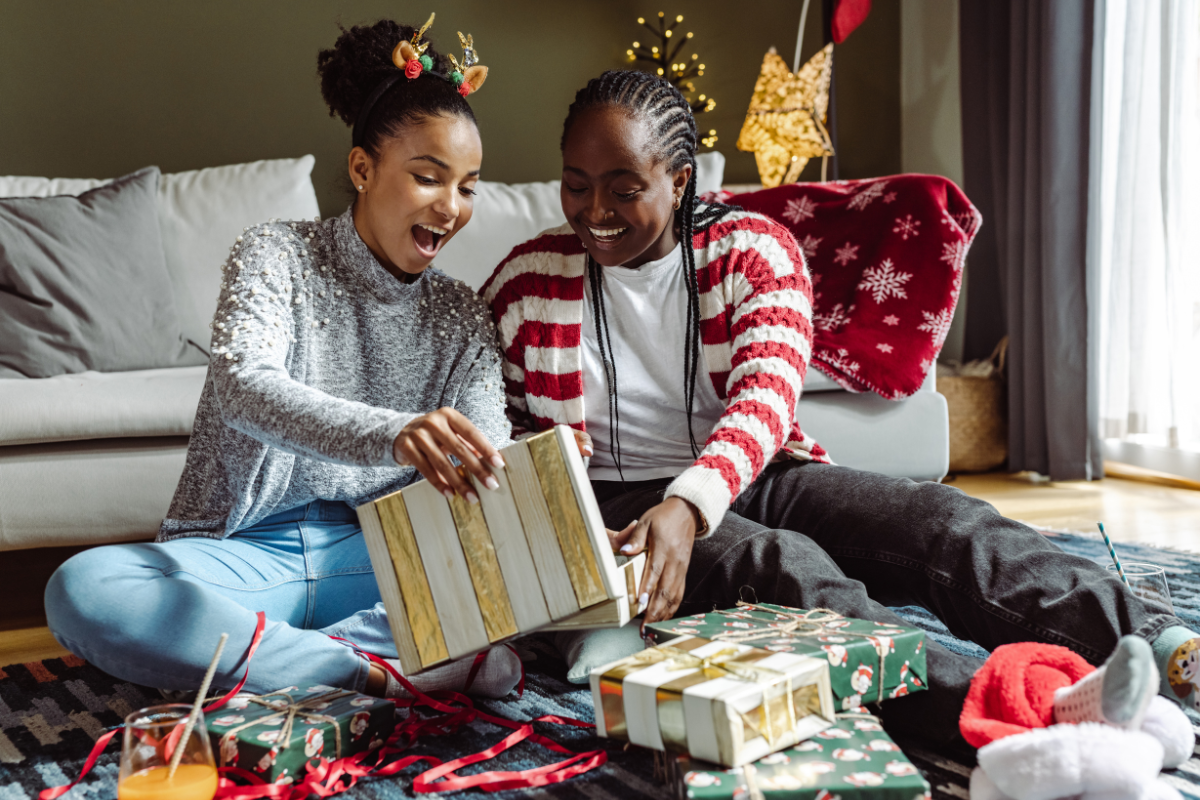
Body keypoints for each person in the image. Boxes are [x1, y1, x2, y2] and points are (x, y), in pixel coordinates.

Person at [481, 69, 1200, 747]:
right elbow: (491, 422)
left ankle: (1165, 649)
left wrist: (691, 502)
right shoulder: (526, 280)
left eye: (622, 188)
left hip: (755, 473)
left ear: (680, 180)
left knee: (941, 520)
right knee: (788, 571)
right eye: (577, 187)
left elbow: (765, 400)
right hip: (622, 508)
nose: (595, 212)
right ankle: (1020, 711)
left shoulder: (754, 252)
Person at [45, 18, 525, 701]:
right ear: (363, 168)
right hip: (247, 556)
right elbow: (244, 387)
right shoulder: (276, 252)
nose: (452, 207)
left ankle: (282, 664)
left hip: (383, 561)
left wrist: (539, 478)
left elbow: (486, 460)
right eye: (429, 177)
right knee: (83, 589)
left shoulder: (462, 313)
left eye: (470, 186)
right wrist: (394, 432)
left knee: (514, 574)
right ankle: (365, 669)